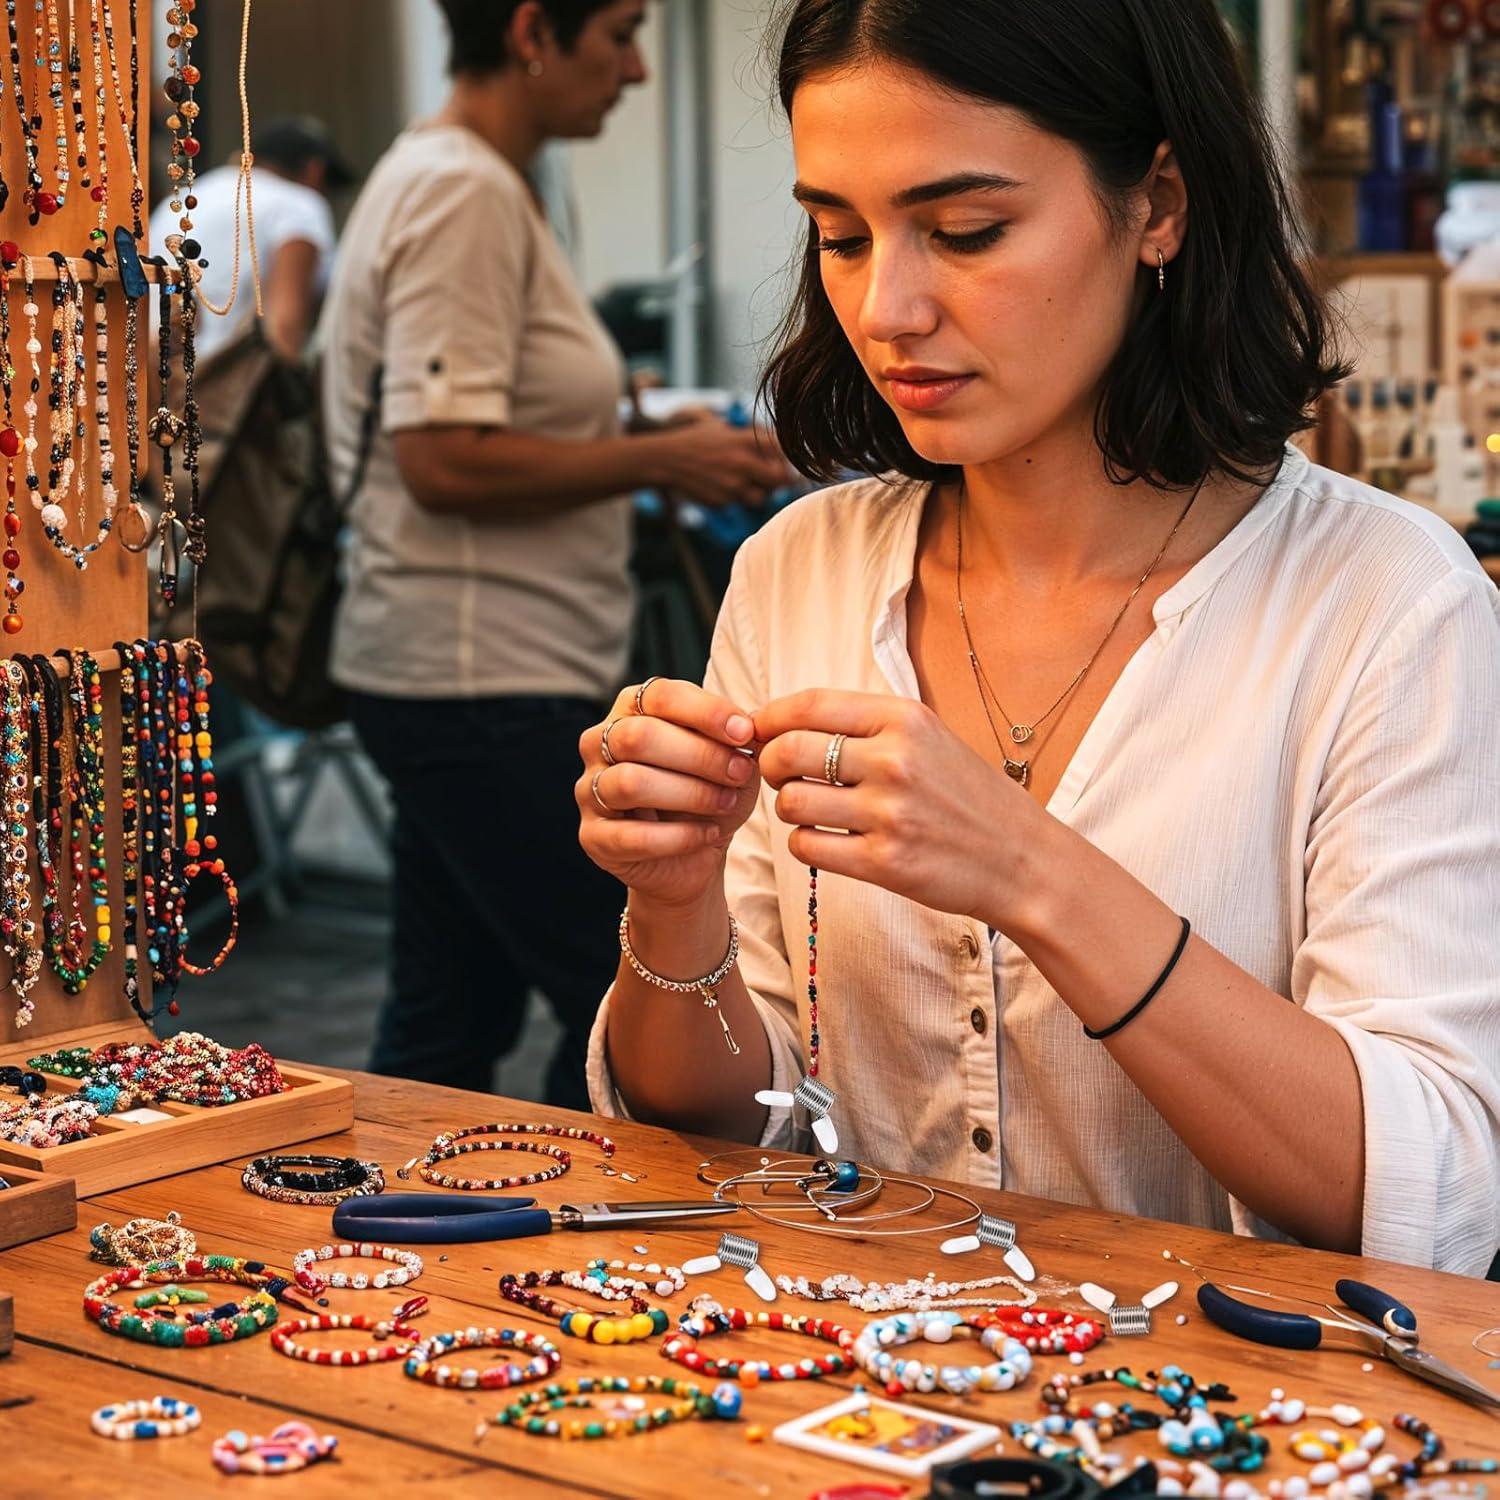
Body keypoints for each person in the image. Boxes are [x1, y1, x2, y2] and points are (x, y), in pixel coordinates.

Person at [578, 0, 1500, 1274]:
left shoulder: (1383, 604)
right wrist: (674, 906)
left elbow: (1428, 1196)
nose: (888, 307)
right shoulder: (802, 571)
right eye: (840, 237)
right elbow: (729, 1131)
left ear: (1158, 205)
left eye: (966, 231)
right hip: (851, 1375)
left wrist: (1032, 873)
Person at [320, 0, 788, 1107]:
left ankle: (403, 1200)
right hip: (482, 680)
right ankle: (592, 1204)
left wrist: (657, 440)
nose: (635, 70)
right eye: (618, 34)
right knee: (624, 1005)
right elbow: (442, 457)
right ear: (533, 30)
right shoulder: (462, 192)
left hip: (462, 673)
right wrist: (659, 460)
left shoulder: (474, 178)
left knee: (449, 1015)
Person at [153, 116, 351, 361]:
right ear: (315, 171)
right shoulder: (300, 206)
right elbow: (284, 327)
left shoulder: (186, 198)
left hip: (151, 372)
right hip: (226, 377)